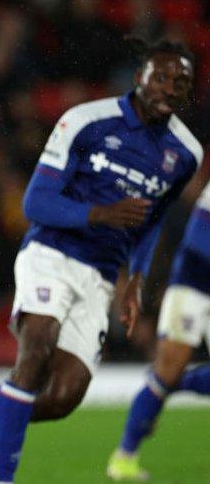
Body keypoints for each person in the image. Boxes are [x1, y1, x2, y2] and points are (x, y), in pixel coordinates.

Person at [0, 37, 202, 484]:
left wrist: (135, 277)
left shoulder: (185, 154)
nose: (168, 87)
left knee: (59, 399)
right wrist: (99, 214)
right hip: (51, 254)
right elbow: (36, 203)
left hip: (101, 276)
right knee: (35, 349)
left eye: (180, 82)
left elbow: (153, 220)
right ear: (140, 74)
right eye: (160, 76)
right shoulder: (86, 120)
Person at [107, 180, 210, 481]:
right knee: (169, 366)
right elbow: (201, 242)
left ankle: (169, 385)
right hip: (194, 280)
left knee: (169, 377)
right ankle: (124, 458)